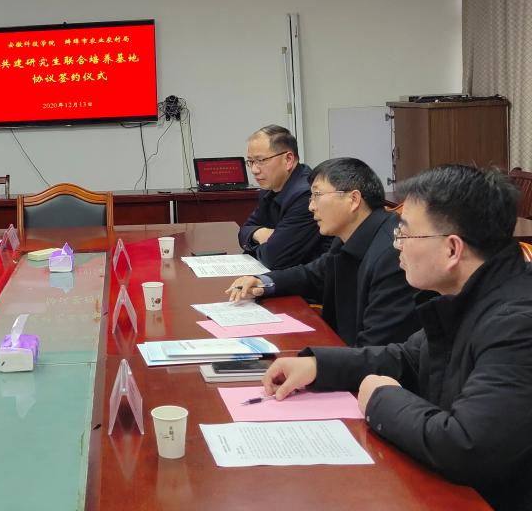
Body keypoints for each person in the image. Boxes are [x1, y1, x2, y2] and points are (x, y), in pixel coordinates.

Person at [262, 165, 532, 510]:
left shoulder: (517, 324)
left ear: (452, 249)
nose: (397, 246)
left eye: (405, 234)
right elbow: (407, 357)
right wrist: (318, 366)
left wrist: (381, 399)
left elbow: (465, 446)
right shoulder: (469, 296)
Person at [226, 158, 420, 346]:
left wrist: (316, 360)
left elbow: (378, 347)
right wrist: (264, 282)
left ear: (353, 199)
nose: (311, 206)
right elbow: (315, 275)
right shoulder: (348, 235)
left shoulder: (394, 254)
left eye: (317, 195)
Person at [238, 125, 328, 270]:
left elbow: (275, 258)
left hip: (313, 279)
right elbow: (244, 230)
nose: (254, 170)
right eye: (251, 161)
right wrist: (259, 233)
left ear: (288, 159)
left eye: (261, 160)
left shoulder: (307, 194)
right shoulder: (269, 189)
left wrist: (257, 243)